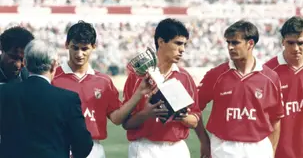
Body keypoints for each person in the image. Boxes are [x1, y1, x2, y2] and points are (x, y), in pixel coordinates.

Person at [52, 21, 151, 158]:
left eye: (84, 48)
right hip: (59, 147)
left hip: (94, 150)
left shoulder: (103, 82)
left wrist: (139, 93)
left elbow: (116, 118)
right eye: (75, 48)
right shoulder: (53, 77)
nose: (79, 54)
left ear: (94, 47)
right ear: (66, 45)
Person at [195, 20, 284, 158]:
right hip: (223, 148)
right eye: (228, 42)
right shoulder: (216, 75)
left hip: (258, 148)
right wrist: (204, 140)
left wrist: (271, 149)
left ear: (250, 44)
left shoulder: (271, 78)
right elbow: (195, 106)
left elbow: (276, 119)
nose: (230, 47)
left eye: (235, 42)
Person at [122, 18, 201, 158]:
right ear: (161, 42)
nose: (182, 49)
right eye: (178, 43)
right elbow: (126, 123)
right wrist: (147, 113)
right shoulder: (137, 76)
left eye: (184, 45)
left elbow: (194, 120)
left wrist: (182, 116)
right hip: (144, 148)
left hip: (176, 149)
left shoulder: (185, 77)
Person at [0, 40, 93, 158]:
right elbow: (83, 144)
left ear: (25, 62)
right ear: (54, 64)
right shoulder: (67, 99)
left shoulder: (4, 93)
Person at [265, 16, 303, 158]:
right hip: (279, 153)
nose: (296, 48)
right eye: (290, 43)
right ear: (283, 42)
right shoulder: (268, 72)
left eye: (300, 43)